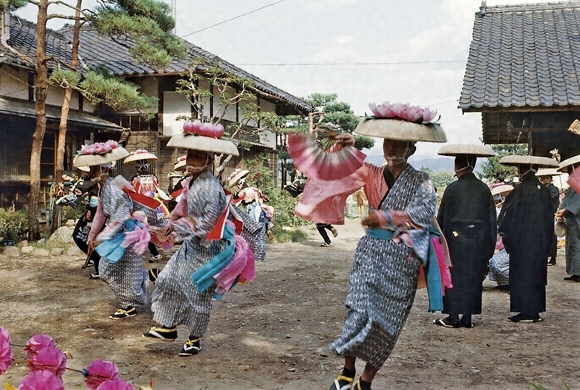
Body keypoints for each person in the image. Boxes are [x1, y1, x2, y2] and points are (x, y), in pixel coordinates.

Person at [288, 103, 445, 390]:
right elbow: (340, 171)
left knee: (388, 323)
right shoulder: (371, 173)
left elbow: (422, 213)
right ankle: (347, 369)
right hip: (371, 253)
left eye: (400, 143)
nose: (392, 148)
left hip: (402, 259)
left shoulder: (421, 181)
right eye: (388, 142)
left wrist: (384, 216)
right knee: (358, 309)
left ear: (411, 148)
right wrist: (348, 146)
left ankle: (366, 379)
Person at [143, 122, 263, 357]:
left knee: (196, 293)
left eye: (196, 155)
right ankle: (167, 327)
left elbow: (208, 224)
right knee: (167, 279)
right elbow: (182, 205)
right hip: (191, 244)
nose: (190, 158)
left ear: (208, 160)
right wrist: (171, 222)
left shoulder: (210, 187)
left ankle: (194, 338)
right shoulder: (191, 181)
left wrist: (178, 230)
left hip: (209, 247)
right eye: (189, 154)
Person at [76, 140, 152, 320]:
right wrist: (92, 235)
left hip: (127, 233)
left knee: (114, 269)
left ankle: (130, 302)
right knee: (112, 270)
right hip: (118, 232)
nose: (91, 171)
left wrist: (100, 238)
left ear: (104, 169)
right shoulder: (104, 187)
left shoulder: (114, 188)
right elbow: (100, 214)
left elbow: (120, 217)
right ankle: (131, 299)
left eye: (94, 168)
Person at [434, 145, 497, 328]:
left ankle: (453, 316)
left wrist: (441, 243)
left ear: (457, 165)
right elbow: (491, 220)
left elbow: (442, 219)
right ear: (474, 165)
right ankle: (467, 317)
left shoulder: (452, 189)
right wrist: (489, 246)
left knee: (454, 277)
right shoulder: (484, 189)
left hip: (454, 240)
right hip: (478, 239)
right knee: (472, 277)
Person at [497, 155, 558, 323]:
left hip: (522, 242)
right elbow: (549, 217)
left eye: (519, 169)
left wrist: (504, 230)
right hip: (540, 241)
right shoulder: (544, 190)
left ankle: (525, 312)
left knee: (523, 276)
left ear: (524, 170)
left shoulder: (520, 189)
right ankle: (535, 311)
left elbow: (508, 215)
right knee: (536, 276)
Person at [125, 149, 168, 263]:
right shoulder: (154, 177)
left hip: (142, 207)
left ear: (139, 167)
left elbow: (133, 194)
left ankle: (153, 253)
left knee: (143, 229)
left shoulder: (135, 179)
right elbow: (157, 189)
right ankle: (155, 249)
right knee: (152, 228)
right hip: (154, 205)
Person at [556, 155, 580, 282]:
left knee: (577, 245)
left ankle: (578, 272)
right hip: (571, 220)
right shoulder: (574, 184)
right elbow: (568, 200)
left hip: (577, 219)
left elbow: (577, 202)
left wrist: (565, 210)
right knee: (572, 245)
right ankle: (574, 271)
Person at [537, 169, 561, 266]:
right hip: (542, 214)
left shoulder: (554, 189)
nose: (542, 180)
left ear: (549, 179)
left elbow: (550, 200)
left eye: (544, 179)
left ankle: (553, 257)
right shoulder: (543, 189)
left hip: (550, 214)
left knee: (551, 235)